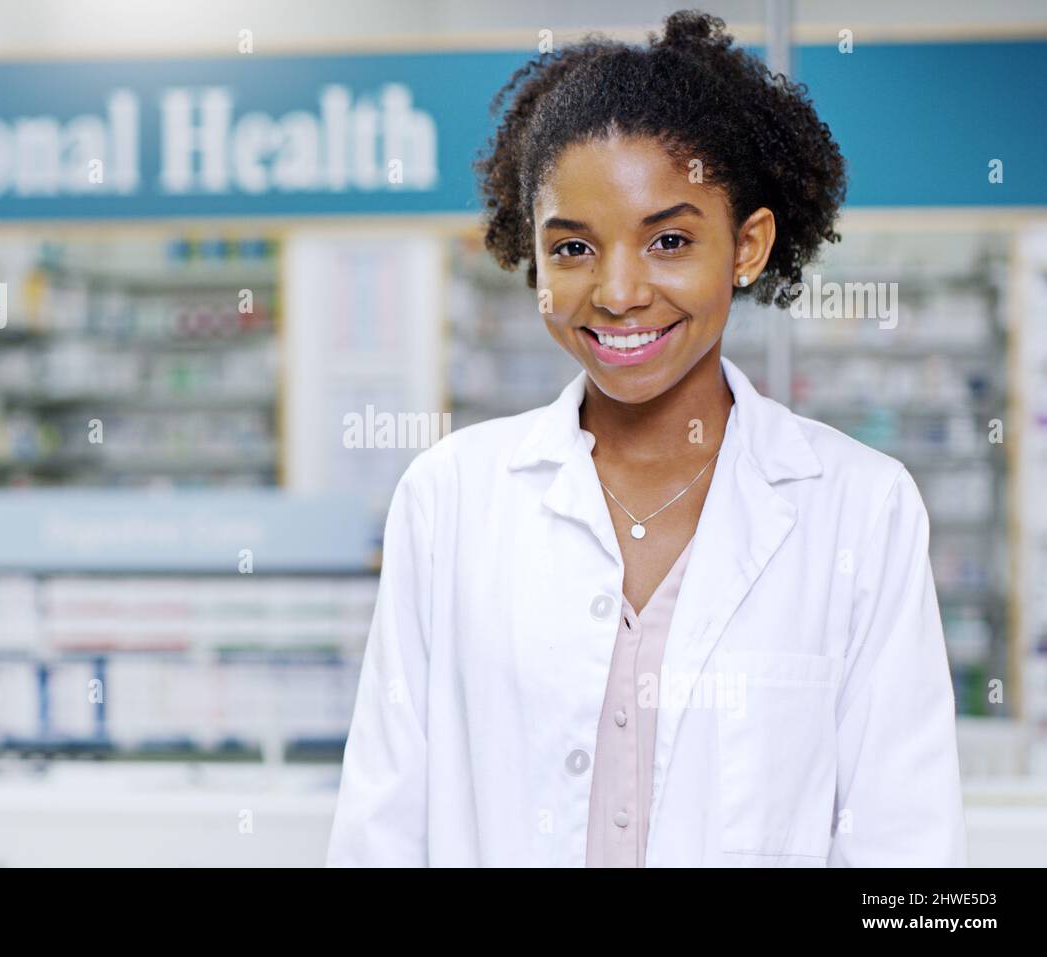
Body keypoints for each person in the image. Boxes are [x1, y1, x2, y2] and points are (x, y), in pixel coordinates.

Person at [326, 10, 967, 867]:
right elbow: (382, 829)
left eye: (669, 240)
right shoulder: (450, 499)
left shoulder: (859, 506)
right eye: (574, 248)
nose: (618, 291)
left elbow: (908, 854)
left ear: (747, 245)